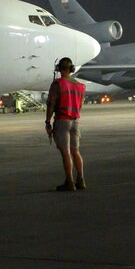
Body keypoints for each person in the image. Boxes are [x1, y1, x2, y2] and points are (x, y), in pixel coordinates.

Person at [44, 56, 86, 191]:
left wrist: (47, 122)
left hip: (62, 121)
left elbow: (51, 104)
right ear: (72, 69)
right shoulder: (80, 86)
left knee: (66, 152)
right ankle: (81, 180)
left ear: (59, 69)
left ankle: (69, 182)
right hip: (76, 121)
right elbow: (80, 106)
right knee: (76, 151)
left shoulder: (58, 84)